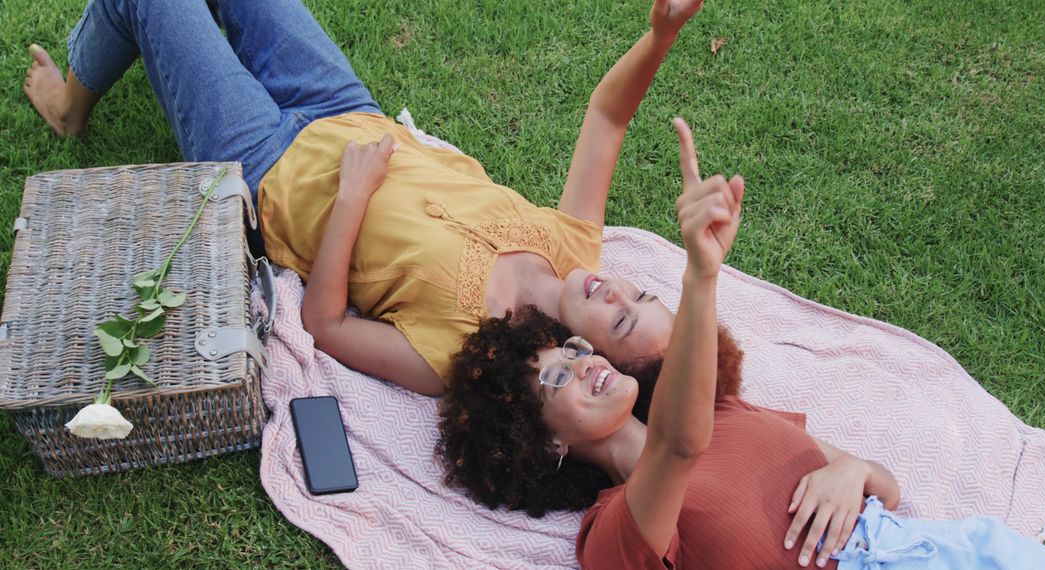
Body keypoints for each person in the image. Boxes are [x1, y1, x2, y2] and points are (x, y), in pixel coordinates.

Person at [434, 123, 1045, 569]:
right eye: (557, 378)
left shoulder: (727, 412)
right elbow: (676, 449)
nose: (585, 366)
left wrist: (848, 473)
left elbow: (883, 485)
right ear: (546, 442)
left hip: (958, 552)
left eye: (575, 352)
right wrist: (701, 273)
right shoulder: (611, 535)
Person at [24, 0, 722, 396]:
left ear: (588, 354)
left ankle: (68, 108)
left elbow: (326, 324)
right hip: (344, 107)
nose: (616, 291)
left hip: (270, 173)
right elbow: (607, 117)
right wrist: (660, 36)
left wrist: (353, 198)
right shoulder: (576, 248)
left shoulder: (464, 354)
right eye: (642, 295)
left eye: (621, 320)